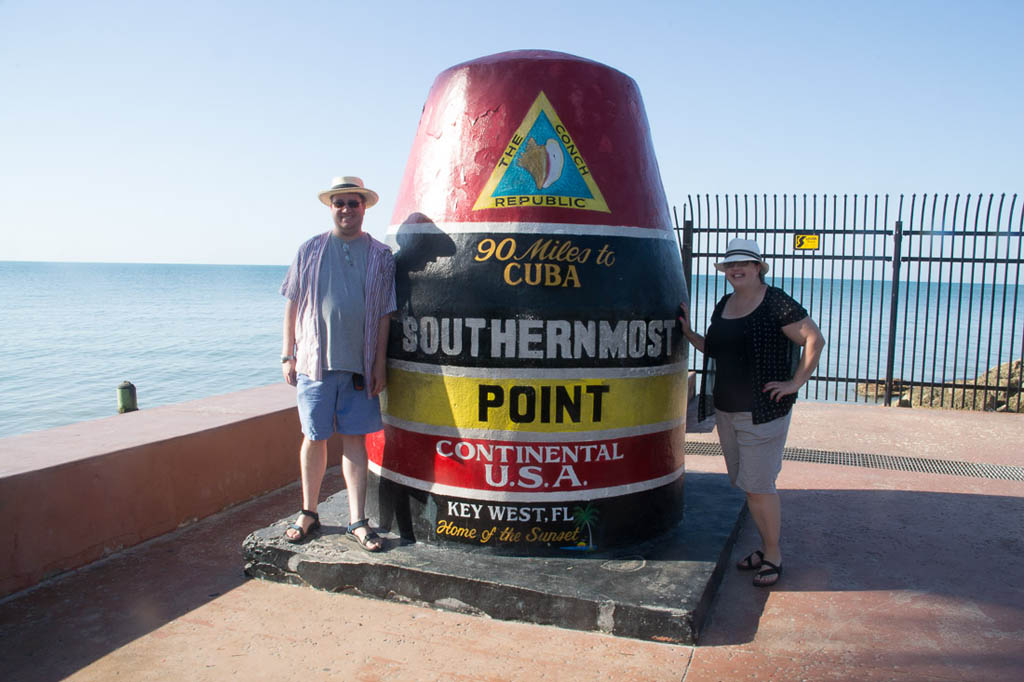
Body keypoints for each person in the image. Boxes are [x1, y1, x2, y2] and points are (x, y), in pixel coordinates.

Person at [678, 238, 824, 587]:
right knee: (747, 484)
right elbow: (714, 349)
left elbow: (813, 339)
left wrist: (794, 383)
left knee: (759, 487)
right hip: (726, 411)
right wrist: (687, 333)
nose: (735, 270)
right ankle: (765, 545)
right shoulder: (725, 303)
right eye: (729, 265)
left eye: (743, 264)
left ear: (759, 267)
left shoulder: (775, 302)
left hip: (763, 412)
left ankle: (773, 553)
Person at [279, 176, 396, 551]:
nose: (347, 209)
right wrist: (288, 353)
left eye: (353, 203)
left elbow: (383, 315)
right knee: (313, 438)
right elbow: (292, 303)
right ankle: (308, 513)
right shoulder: (309, 250)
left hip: (359, 366)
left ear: (364, 207)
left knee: (355, 441)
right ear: (331, 207)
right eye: (340, 203)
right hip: (314, 362)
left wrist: (379, 364)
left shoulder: (381, 255)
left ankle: (357, 521)